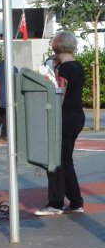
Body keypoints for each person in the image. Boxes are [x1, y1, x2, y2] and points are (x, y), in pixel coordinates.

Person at [35, 31, 86, 216]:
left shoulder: (63, 70)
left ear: (56, 46)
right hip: (77, 116)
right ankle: (75, 201)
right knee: (66, 160)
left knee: (55, 160)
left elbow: (59, 96)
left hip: (63, 118)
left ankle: (55, 203)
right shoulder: (78, 66)